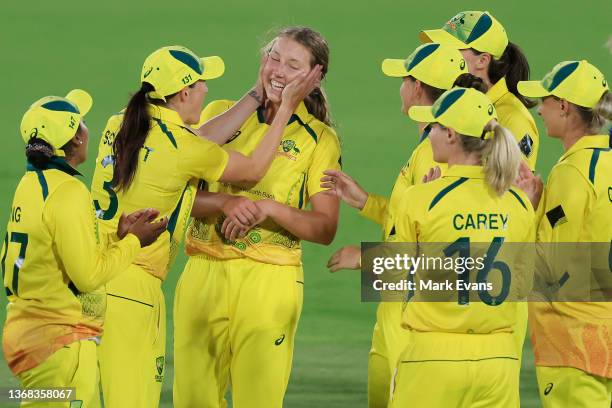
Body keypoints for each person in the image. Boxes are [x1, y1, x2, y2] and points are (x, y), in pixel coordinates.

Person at [91, 45, 320, 408]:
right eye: (201, 84)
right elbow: (252, 170)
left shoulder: (121, 123)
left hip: (93, 278)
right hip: (133, 287)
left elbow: (195, 143)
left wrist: (256, 94)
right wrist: (285, 109)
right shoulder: (182, 148)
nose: (207, 90)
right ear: (184, 93)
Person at [173, 27, 341, 408]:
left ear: (314, 79)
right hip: (202, 271)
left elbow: (325, 228)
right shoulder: (220, 114)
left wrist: (269, 208)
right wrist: (222, 203)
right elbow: (177, 189)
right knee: (192, 401)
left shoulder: (321, 141)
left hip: (269, 282)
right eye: (273, 57)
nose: (278, 70)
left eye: (292, 64)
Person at [321, 43, 484, 407]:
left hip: (414, 310)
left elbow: (442, 252)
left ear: (416, 87)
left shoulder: (436, 151)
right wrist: (366, 203)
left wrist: (364, 258)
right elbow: (414, 220)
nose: (401, 88)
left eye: (404, 80)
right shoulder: (433, 145)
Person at [2, 90, 166, 407]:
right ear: (76, 139)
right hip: (60, 342)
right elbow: (89, 276)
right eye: (83, 123)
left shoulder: (32, 184)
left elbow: (55, 251)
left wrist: (115, 238)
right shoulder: (69, 192)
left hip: (30, 333)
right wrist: (135, 242)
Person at [390, 87, 535, 407]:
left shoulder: (421, 198)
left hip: (433, 359)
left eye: (435, 127)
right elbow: (523, 284)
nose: (429, 134)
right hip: (499, 363)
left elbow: (396, 277)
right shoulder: (519, 204)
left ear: (452, 135)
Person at [517, 60, 612, 407]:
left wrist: (526, 209)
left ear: (564, 106)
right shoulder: (607, 163)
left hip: (574, 343)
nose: (539, 110)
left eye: (545, 100)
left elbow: (553, 270)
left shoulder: (572, 173)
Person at [420, 10, 540, 170]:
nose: (441, 57)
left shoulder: (515, 120)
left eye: (451, 51)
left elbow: (515, 190)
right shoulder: (453, 105)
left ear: (483, 60)